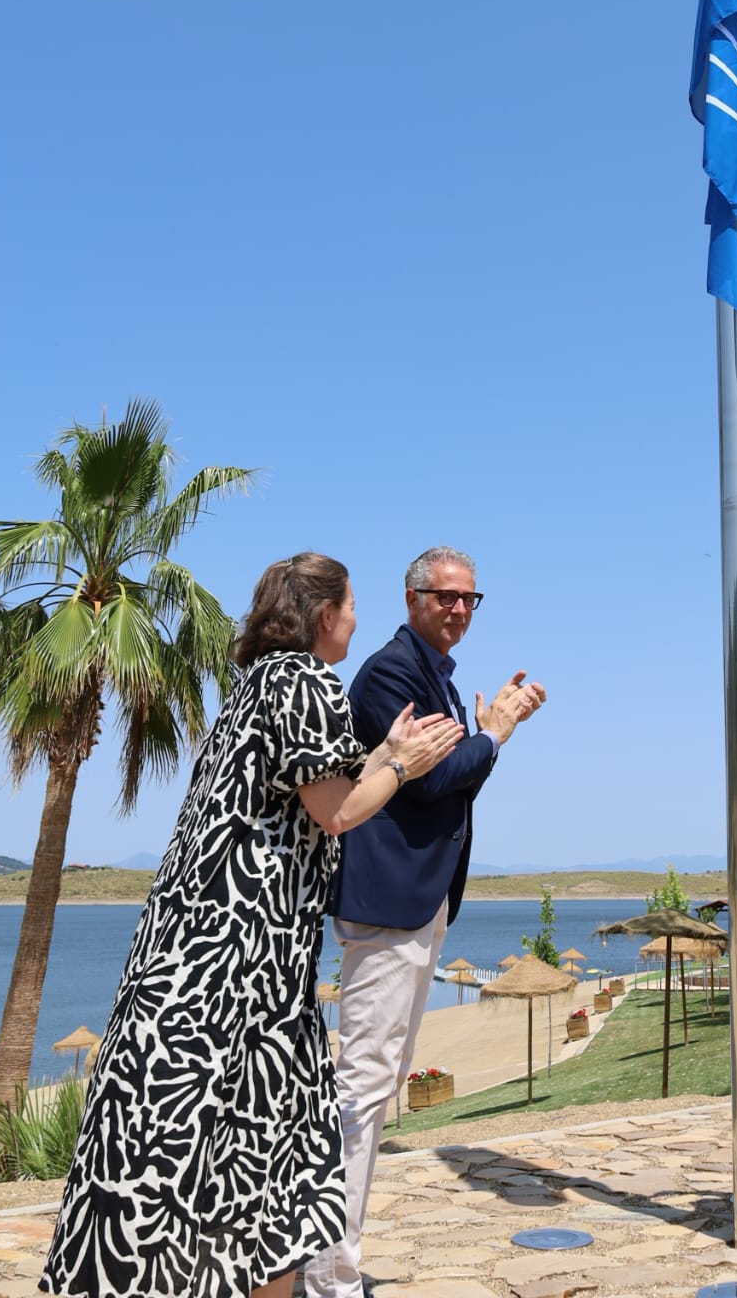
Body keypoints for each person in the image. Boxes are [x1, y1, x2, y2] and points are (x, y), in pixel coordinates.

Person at [41, 554, 462, 1298]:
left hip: (196, 956)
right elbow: (334, 812)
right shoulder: (305, 681)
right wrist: (404, 766)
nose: (358, 620)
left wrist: (385, 754)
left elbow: (309, 790)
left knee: (209, 1152)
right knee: (257, 1158)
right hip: (240, 966)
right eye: (353, 604)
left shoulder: (258, 685)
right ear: (324, 614)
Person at [305, 546, 546, 1298]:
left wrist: (478, 733)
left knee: (373, 1086)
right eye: (445, 597)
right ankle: (325, 1274)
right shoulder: (389, 674)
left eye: (471, 599)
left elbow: (447, 774)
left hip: (417, 905)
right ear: (410, 598)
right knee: (364, 1086)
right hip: (387, 906)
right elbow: (438, 775)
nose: (459, 609)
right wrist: (494, 733)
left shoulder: (432, 674)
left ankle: (331, 1265)